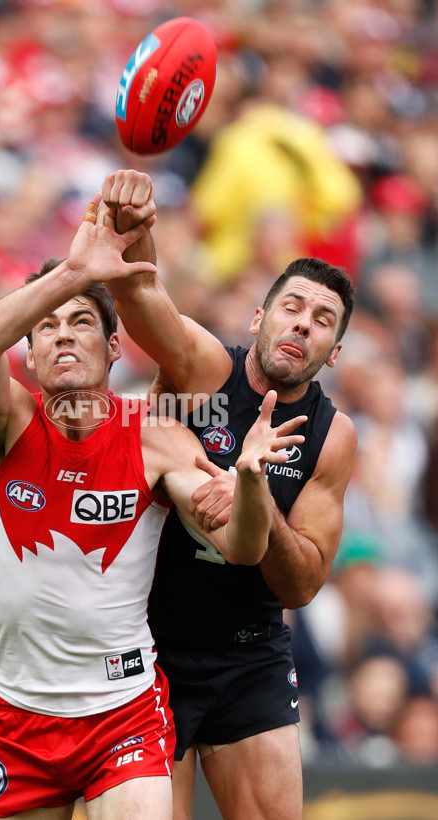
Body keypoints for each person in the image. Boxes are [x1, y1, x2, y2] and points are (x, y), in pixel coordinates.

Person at [0, 197, 307, 820]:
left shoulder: (157, 432)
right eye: (48, 327)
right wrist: (75, 272)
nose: (64, 333)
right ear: (28, 356)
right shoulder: (3, 422)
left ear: (116, 347)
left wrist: (250, 483)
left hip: (125, 712)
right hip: (17, 718)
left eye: (82, 322)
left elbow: (244, 549)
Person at [102, 169, 358, 820]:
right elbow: (142, 301)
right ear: (259, 317)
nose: (303, 325)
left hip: (249, 651)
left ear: (333, 352)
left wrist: (255, 494)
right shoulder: (204, 369)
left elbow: (301, 586)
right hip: (150, 644)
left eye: (323, 320)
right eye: (292, 307)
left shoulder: (332, 438)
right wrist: (135, 231)